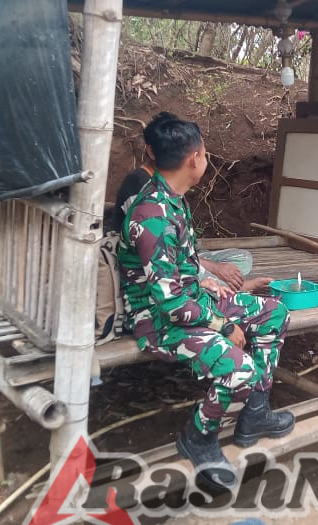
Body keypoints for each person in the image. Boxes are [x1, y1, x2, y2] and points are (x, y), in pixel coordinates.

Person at [117, 113, 293, 491]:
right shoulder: (152, 215)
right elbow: (169, 303)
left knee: (273, 313)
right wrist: (224, 326)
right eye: (205, 152)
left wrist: (216, 287)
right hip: (160, 323)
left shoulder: (173, 200)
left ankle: (255, 415)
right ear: (194, 159)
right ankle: (199, 436)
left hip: (195, 303)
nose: (206, 158)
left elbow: (188, 268)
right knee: (240, 369)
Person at [110, 112, 269, 292]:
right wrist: (213, 268)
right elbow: (157, 249)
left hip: (181, 255)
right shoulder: (143, 189)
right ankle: (228, 288)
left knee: (242, 258)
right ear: (152, 151)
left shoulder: (171, 185)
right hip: (150, 263)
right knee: (193, 271)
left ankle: (218, 284)